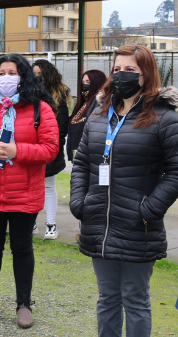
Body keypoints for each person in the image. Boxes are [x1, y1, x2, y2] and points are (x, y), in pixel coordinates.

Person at [70, 44, 178, 337]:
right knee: (107, 299)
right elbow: (82, 162)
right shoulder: (100, 113)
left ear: (146, 74)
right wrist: (80, 202)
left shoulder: (164, 116)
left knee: (136, 300)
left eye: (130, 70)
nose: (121, 75)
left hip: (137, 226)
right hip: (99, 224)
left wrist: (149, 209)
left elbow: (175, 172)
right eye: (117, 69)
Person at [0, 53, 59, 329]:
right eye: (2, 73)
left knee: (22, 249)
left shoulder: (40, 108)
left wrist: (17, 151)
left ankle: (24, 304)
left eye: (12, 72)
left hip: (24, 193)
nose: (6, 77)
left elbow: (50, 149)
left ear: (24, 76)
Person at [32, 60, 70, 240]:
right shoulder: (29, 92)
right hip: (31, 147)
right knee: (31, 186)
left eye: (39, 74)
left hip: (50, 147)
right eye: (34, 74)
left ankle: (51, 224)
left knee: (49, 187)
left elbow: (62, 125)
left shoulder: (58, 94)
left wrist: (54, 145)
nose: (36, 77)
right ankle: (31, 222)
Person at [67, 70, 107, 162]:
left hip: (90, 155)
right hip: (77, 152)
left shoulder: (99, 104)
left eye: (88, 82)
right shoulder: (83, 103)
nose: (84, 85)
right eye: (83, 82)